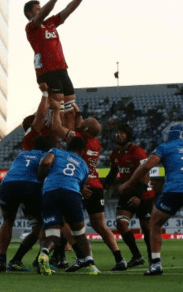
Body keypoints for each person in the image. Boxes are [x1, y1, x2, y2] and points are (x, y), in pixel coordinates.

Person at [119, 124, 183, 277]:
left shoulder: (165, 147)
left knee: (155, 223)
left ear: (170, 135)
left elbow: (147, 165)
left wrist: (129, 183)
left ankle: (155, 264)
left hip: (174, 190)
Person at [24, 0, 93, 134]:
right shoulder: (31, 28)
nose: (40, 10)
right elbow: (43, 14)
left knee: (71, 112)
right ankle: (56, 146)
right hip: (49, 71)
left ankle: (69, 147)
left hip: (62, 69)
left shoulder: (51, 23)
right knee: (58, 113)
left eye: (39, 8)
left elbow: (68, 10)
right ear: (29, 14)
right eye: (37, 9)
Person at [36, 136, 99, 275]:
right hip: (71, 193)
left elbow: (46, 162)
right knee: (80, 233)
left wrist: (41, 175)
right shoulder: (83, 165)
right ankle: (91, 266)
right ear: (82, 150)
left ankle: (44, 254)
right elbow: (81, 185)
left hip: (50, 192)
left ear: (68, 145)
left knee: (53, 235)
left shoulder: (57, 151)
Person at [74, 118, 127, 271]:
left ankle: (80, 258)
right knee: (101, 226)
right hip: (96, 186)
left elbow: (68, 127)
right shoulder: (95, 143)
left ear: (85, 130)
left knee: (66, 222)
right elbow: (82, 126)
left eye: (85, 124)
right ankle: (119, 259)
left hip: (82, 186)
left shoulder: (80, 139)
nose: (82, 123)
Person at [0, 135, 51, 273]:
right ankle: (20, 260)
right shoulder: (48, 156)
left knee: (8, 221)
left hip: (8, 184)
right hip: (30, 186)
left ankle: (2, 259)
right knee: (42, 225)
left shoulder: (22, 154)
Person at [105, 124, 154, 268]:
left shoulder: (138, 152)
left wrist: (138, 196)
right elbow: (113, 172)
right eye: (117, 133)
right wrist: (103, 186)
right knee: (121, 224)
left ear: (128, 135)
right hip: (126, 193)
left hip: (143, 193)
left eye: (122, 133)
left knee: (146, 227)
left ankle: (153, 258)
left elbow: (145, 174)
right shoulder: (114, 153)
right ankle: (137, 256)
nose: (118, 135)